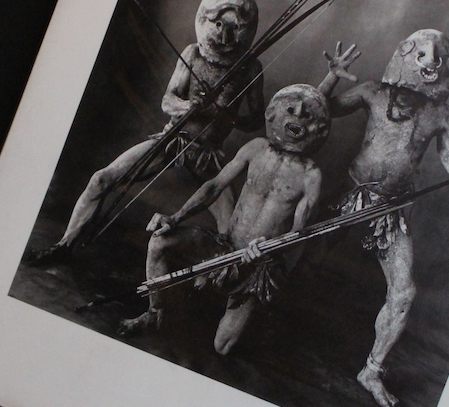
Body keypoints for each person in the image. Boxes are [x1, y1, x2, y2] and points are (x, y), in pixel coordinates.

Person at [321, 30, 449, 407]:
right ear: (406, 56)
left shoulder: (439, 115)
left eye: (437, 56)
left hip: (391, 211)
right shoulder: (372, 92)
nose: (430, 61)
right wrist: (331, 77)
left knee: (403, 293)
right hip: (350, 193)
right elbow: (319, 111)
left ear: (445, 68)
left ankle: (372, 370)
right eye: (422, 53)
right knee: (305, 250)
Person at [27, 0, 264, 265]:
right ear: (206, 20)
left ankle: (219, 275)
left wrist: (225, 116)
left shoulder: (250, 68)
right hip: (171, 140)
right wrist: (189, 106)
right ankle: (64, 246)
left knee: (231, 228)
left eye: (234, 27)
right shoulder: (192, 54)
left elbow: (255, 121)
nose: (225, 36)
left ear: (245, 29)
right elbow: (168, 101)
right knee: (101, 179)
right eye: (219, 25)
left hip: (207, 155)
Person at [120, 83, 336, 355]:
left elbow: (298, 234)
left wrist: (268, 252)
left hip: (257, 265)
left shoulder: (311, 176)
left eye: (306, 115)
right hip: (224, 245)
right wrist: (175, 218)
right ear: (274, 113)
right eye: (291, 110)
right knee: (159, 241)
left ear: (318, 128)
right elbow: (214, 187)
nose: (298, 117)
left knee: (222, 347)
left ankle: (246, 310)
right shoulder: (256, 148)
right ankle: (154, 313)